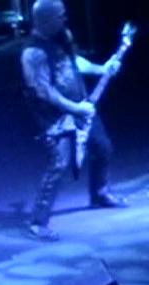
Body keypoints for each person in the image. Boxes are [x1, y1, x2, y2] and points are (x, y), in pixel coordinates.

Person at [21, 0, 127, 241]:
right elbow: (44, 91)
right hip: (55, 117)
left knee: (102, 147)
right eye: (60, 16)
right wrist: (76, 108)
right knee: (60, 163)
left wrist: (101, 69)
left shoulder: (62, 35)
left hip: (81, 106)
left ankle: (100, 193)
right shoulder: (32, 53)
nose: (65, 18)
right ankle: (37, 222)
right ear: (45, 20)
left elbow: (73, 61)